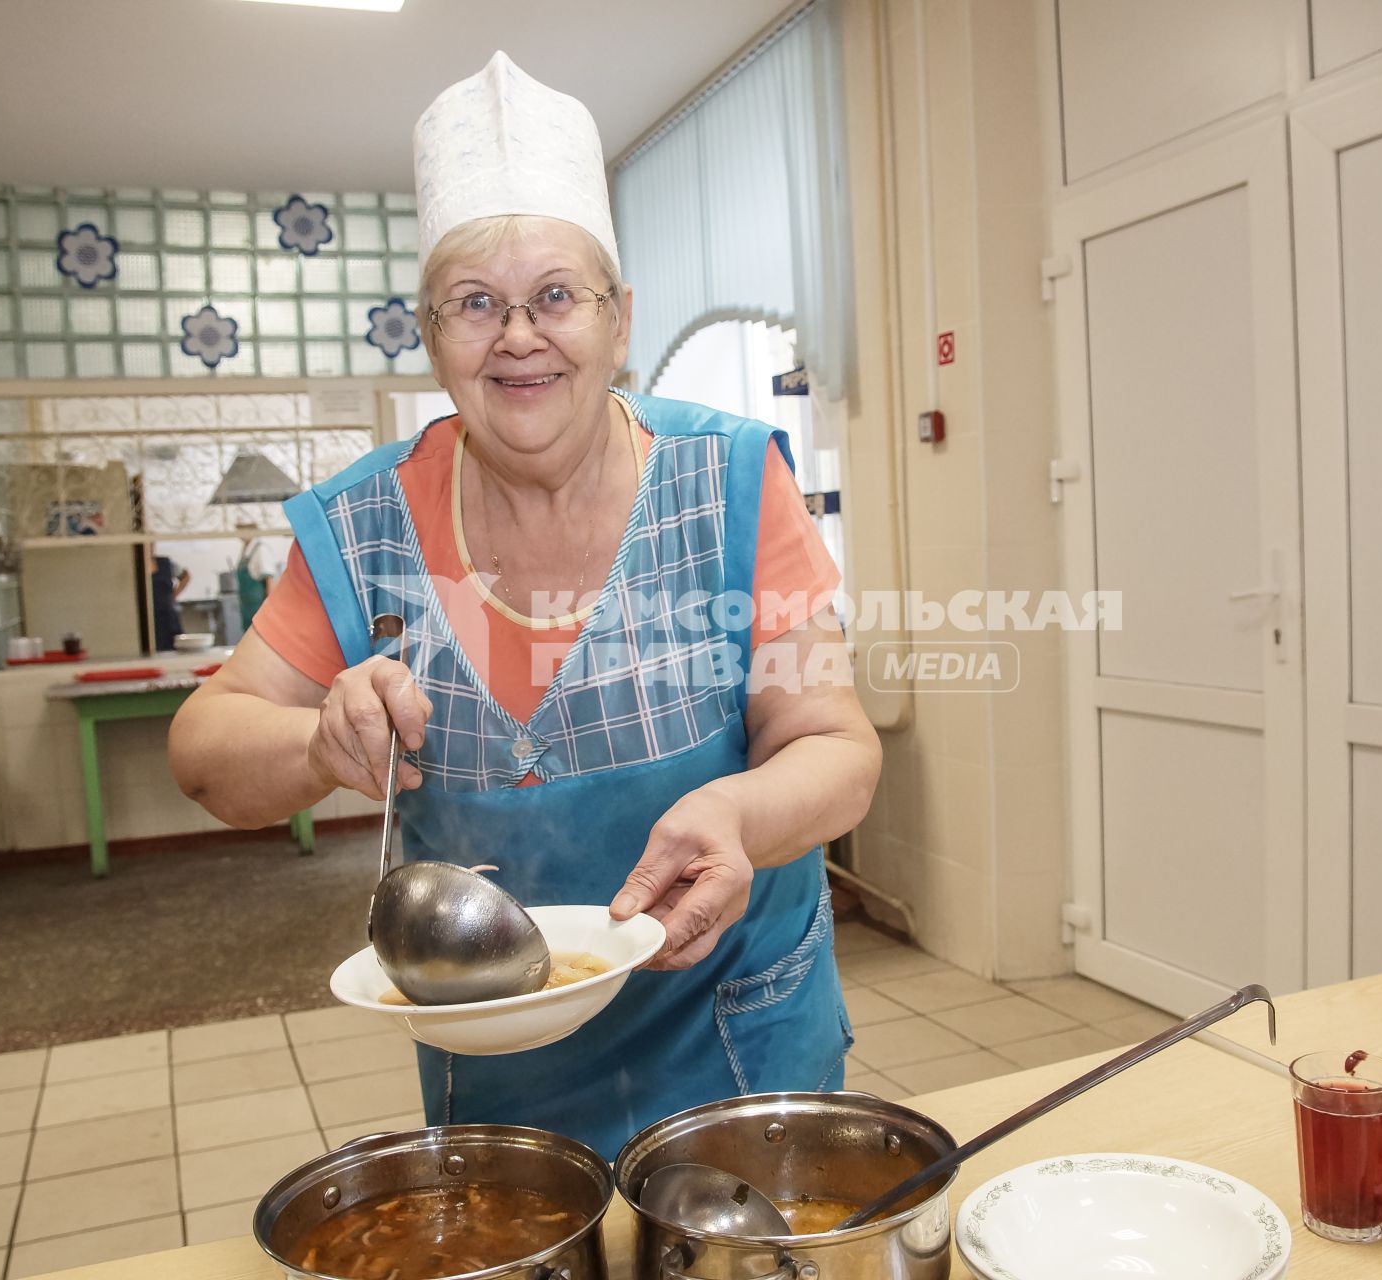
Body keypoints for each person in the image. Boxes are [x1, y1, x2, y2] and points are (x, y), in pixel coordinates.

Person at [169, 52, 880, 1156]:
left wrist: (743, 816)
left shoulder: (732, 482)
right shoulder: (362, 530)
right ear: (428, 331)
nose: (518, 334)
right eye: (475, 304)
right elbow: (207, 752)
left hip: (741, 1040)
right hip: (503, 1064)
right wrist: (319, 739)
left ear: (619, 317)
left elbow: (835, 743)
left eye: (556, 295)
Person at [150, 555, 191, 652]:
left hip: (168, 615)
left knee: (174, 647)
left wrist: (173, 596)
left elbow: (186, 576)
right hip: (150, 616)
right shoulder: (137, 563)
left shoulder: (166, 563)